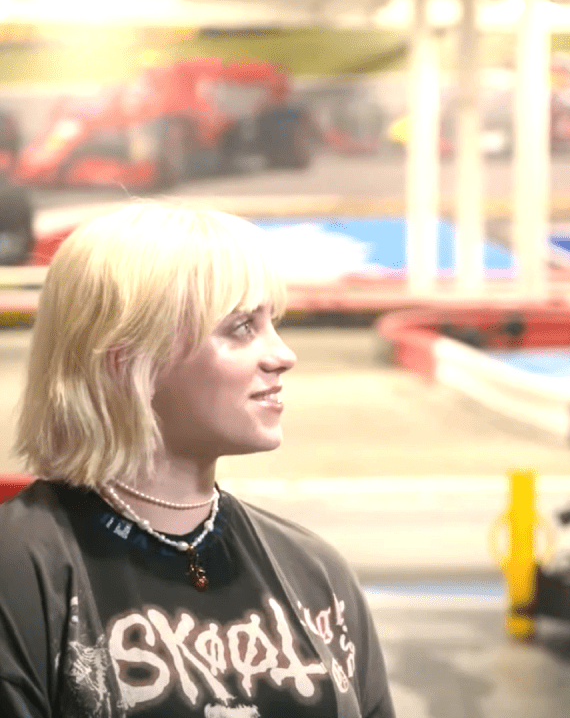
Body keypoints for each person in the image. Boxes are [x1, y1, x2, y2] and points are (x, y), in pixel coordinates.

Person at [0, 202, 396, 718]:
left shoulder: (314, 573)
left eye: (272, 323)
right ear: (129, 358)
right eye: (240, 328)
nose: (282, 355)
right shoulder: (20, 571)